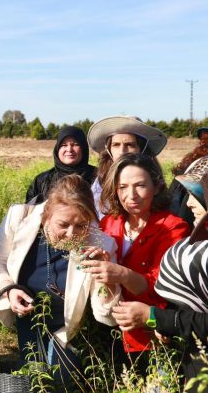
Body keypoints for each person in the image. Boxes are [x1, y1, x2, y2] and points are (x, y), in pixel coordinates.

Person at [0, 174, 119, 384]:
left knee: (61, 383)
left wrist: (106, 277)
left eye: (81, 226)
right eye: (63, 224)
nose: (71, 234)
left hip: (69, 329)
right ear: (46, 216)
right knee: (32, 378)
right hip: (29, 321)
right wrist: (9, 288)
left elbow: (106, 315)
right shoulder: (19, 218)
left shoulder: (101, 244)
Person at [81, 153, 190, 367]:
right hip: (109, 331)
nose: (131, 195)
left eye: (140, 185)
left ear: (157, 186)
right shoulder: (110, 224)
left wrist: (120, 273)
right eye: (122, 187)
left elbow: (162, 287)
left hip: (152, 336)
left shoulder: (173, 228)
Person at [115, 168, 208, 391]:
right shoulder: (200, 237)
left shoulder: (173, 227)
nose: (188, 204)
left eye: (197, 195)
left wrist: (156, 317)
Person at [87, 115, 167, 218]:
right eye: (116, 145)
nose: (122, 151)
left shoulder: (153, 176)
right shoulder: (101, 179)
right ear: (109, 149)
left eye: (129, 145)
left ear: (141, 148)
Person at [26, 126, 96, 204]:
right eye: (64, 145)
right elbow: (30, 210)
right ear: (57, 149)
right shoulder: (41, 181)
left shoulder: (98, 177)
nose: (69, 150)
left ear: (83, 148)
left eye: (75, 144)